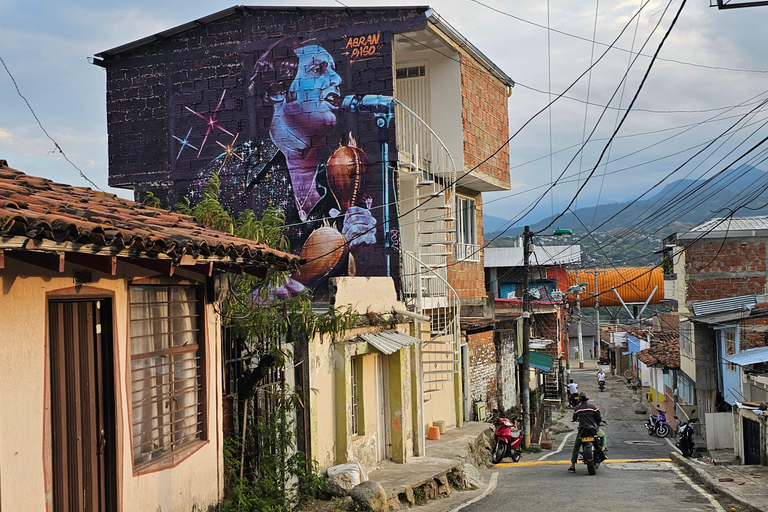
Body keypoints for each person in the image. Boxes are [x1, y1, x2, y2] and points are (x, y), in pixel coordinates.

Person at [198, 37, 377, 297]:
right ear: (276, 90)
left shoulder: (348, 174)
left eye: (335, 69)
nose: (336, 79)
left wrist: (362, 253)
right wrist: (248, 300)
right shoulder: (227, 174)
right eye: (319, 70)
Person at [568, 392, 607, 473]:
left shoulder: (577, 408)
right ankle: (603, 448)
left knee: (576, 447)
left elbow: (574, 418)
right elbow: (599, 417)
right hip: (593, 429)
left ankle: (572, 466)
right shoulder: (593, 407)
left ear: (579, 399)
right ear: (588, 398)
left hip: (582, 430)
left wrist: (576, 419)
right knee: (603, 436)